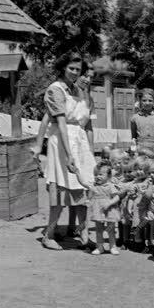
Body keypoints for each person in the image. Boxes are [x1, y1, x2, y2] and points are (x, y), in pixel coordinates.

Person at [38, 52, 96, 250]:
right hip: (61, 141)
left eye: (78, 70)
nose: (74, 73)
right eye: (71, 68)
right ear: (63, 67)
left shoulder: (77, 90)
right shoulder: (55, 90)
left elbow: (84, 122)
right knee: (61, 187)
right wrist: (69, 154)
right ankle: (49, 234)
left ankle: (84, 233)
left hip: (78, 139)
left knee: (81, 188)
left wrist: (86, 149)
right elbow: (60, 123)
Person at [88, 164, 121, 256]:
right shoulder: (94, 186)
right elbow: (90, 194)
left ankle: (113, 246)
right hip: (98, 210)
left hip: (110, 210)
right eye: (96, 174)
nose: (98, 177)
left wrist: (109, 203)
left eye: (101, 174)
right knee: (98, 229)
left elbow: (117, 197)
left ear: (109, 176)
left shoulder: (110, 186)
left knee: (111, 229)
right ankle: (99, 247)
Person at [130, 88, 154, 157]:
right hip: (141, 149)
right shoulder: (134, 118)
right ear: (140, 101)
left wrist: (153, 142)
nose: (147, 103)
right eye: (144, 100)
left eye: (150, 100)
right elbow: (134, 137)